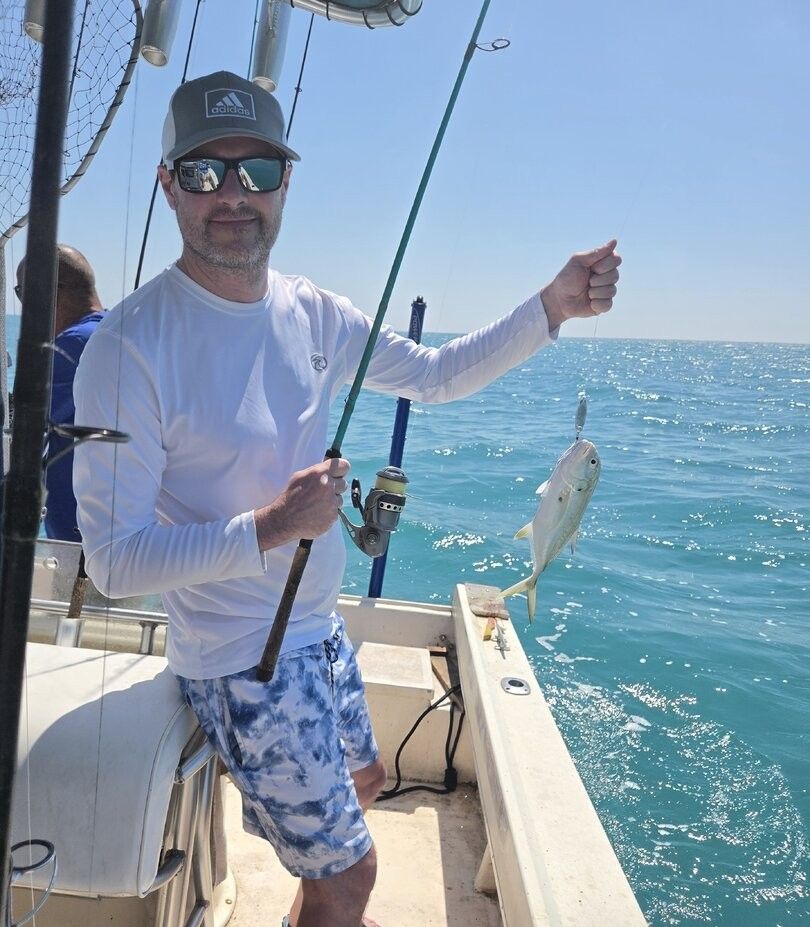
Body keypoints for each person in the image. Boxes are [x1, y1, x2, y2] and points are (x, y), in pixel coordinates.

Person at [73, 70, 621, 927]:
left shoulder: (313, 311)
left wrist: (548, 306)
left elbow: (434, 375)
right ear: (167, 184)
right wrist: (275, 524)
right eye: (203, 173)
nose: (232, 196)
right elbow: (113, 561)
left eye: (255, 171)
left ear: (287, 180)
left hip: (320, 628)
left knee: (367, 782)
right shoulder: (130, 346)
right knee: (354, 881)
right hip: (241, 660)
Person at [16, 245, 104, 541]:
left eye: (22, 292)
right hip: (116, 534)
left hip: (80, 543)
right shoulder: (117, 332)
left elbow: (28, 423)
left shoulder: (69, 347)